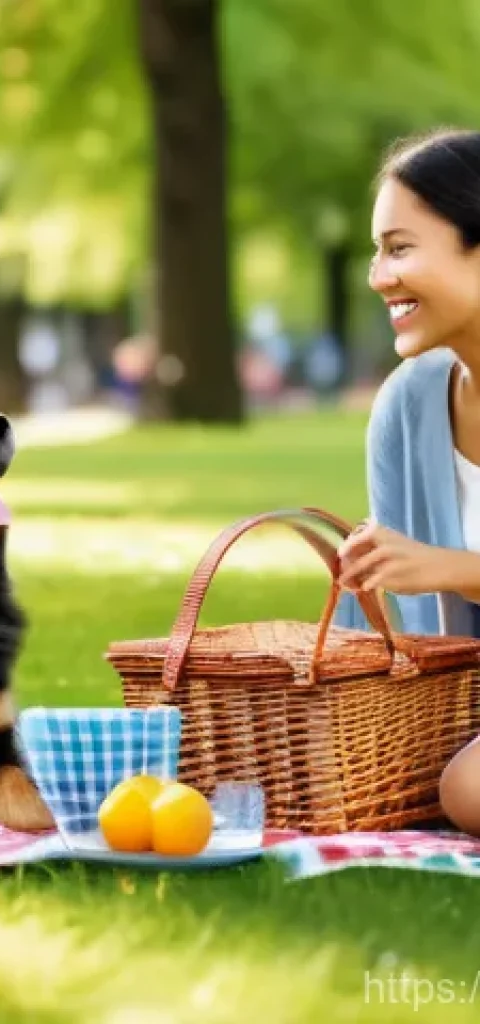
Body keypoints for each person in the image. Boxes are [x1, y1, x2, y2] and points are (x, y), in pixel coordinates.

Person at [333, 129, 480, 837]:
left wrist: (449, 570)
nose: (378, 275)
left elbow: (434, 572)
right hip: (458, 721)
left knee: (468, 789)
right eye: (376, 251)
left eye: (400, 248)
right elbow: (392, 621)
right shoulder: (408, 401)